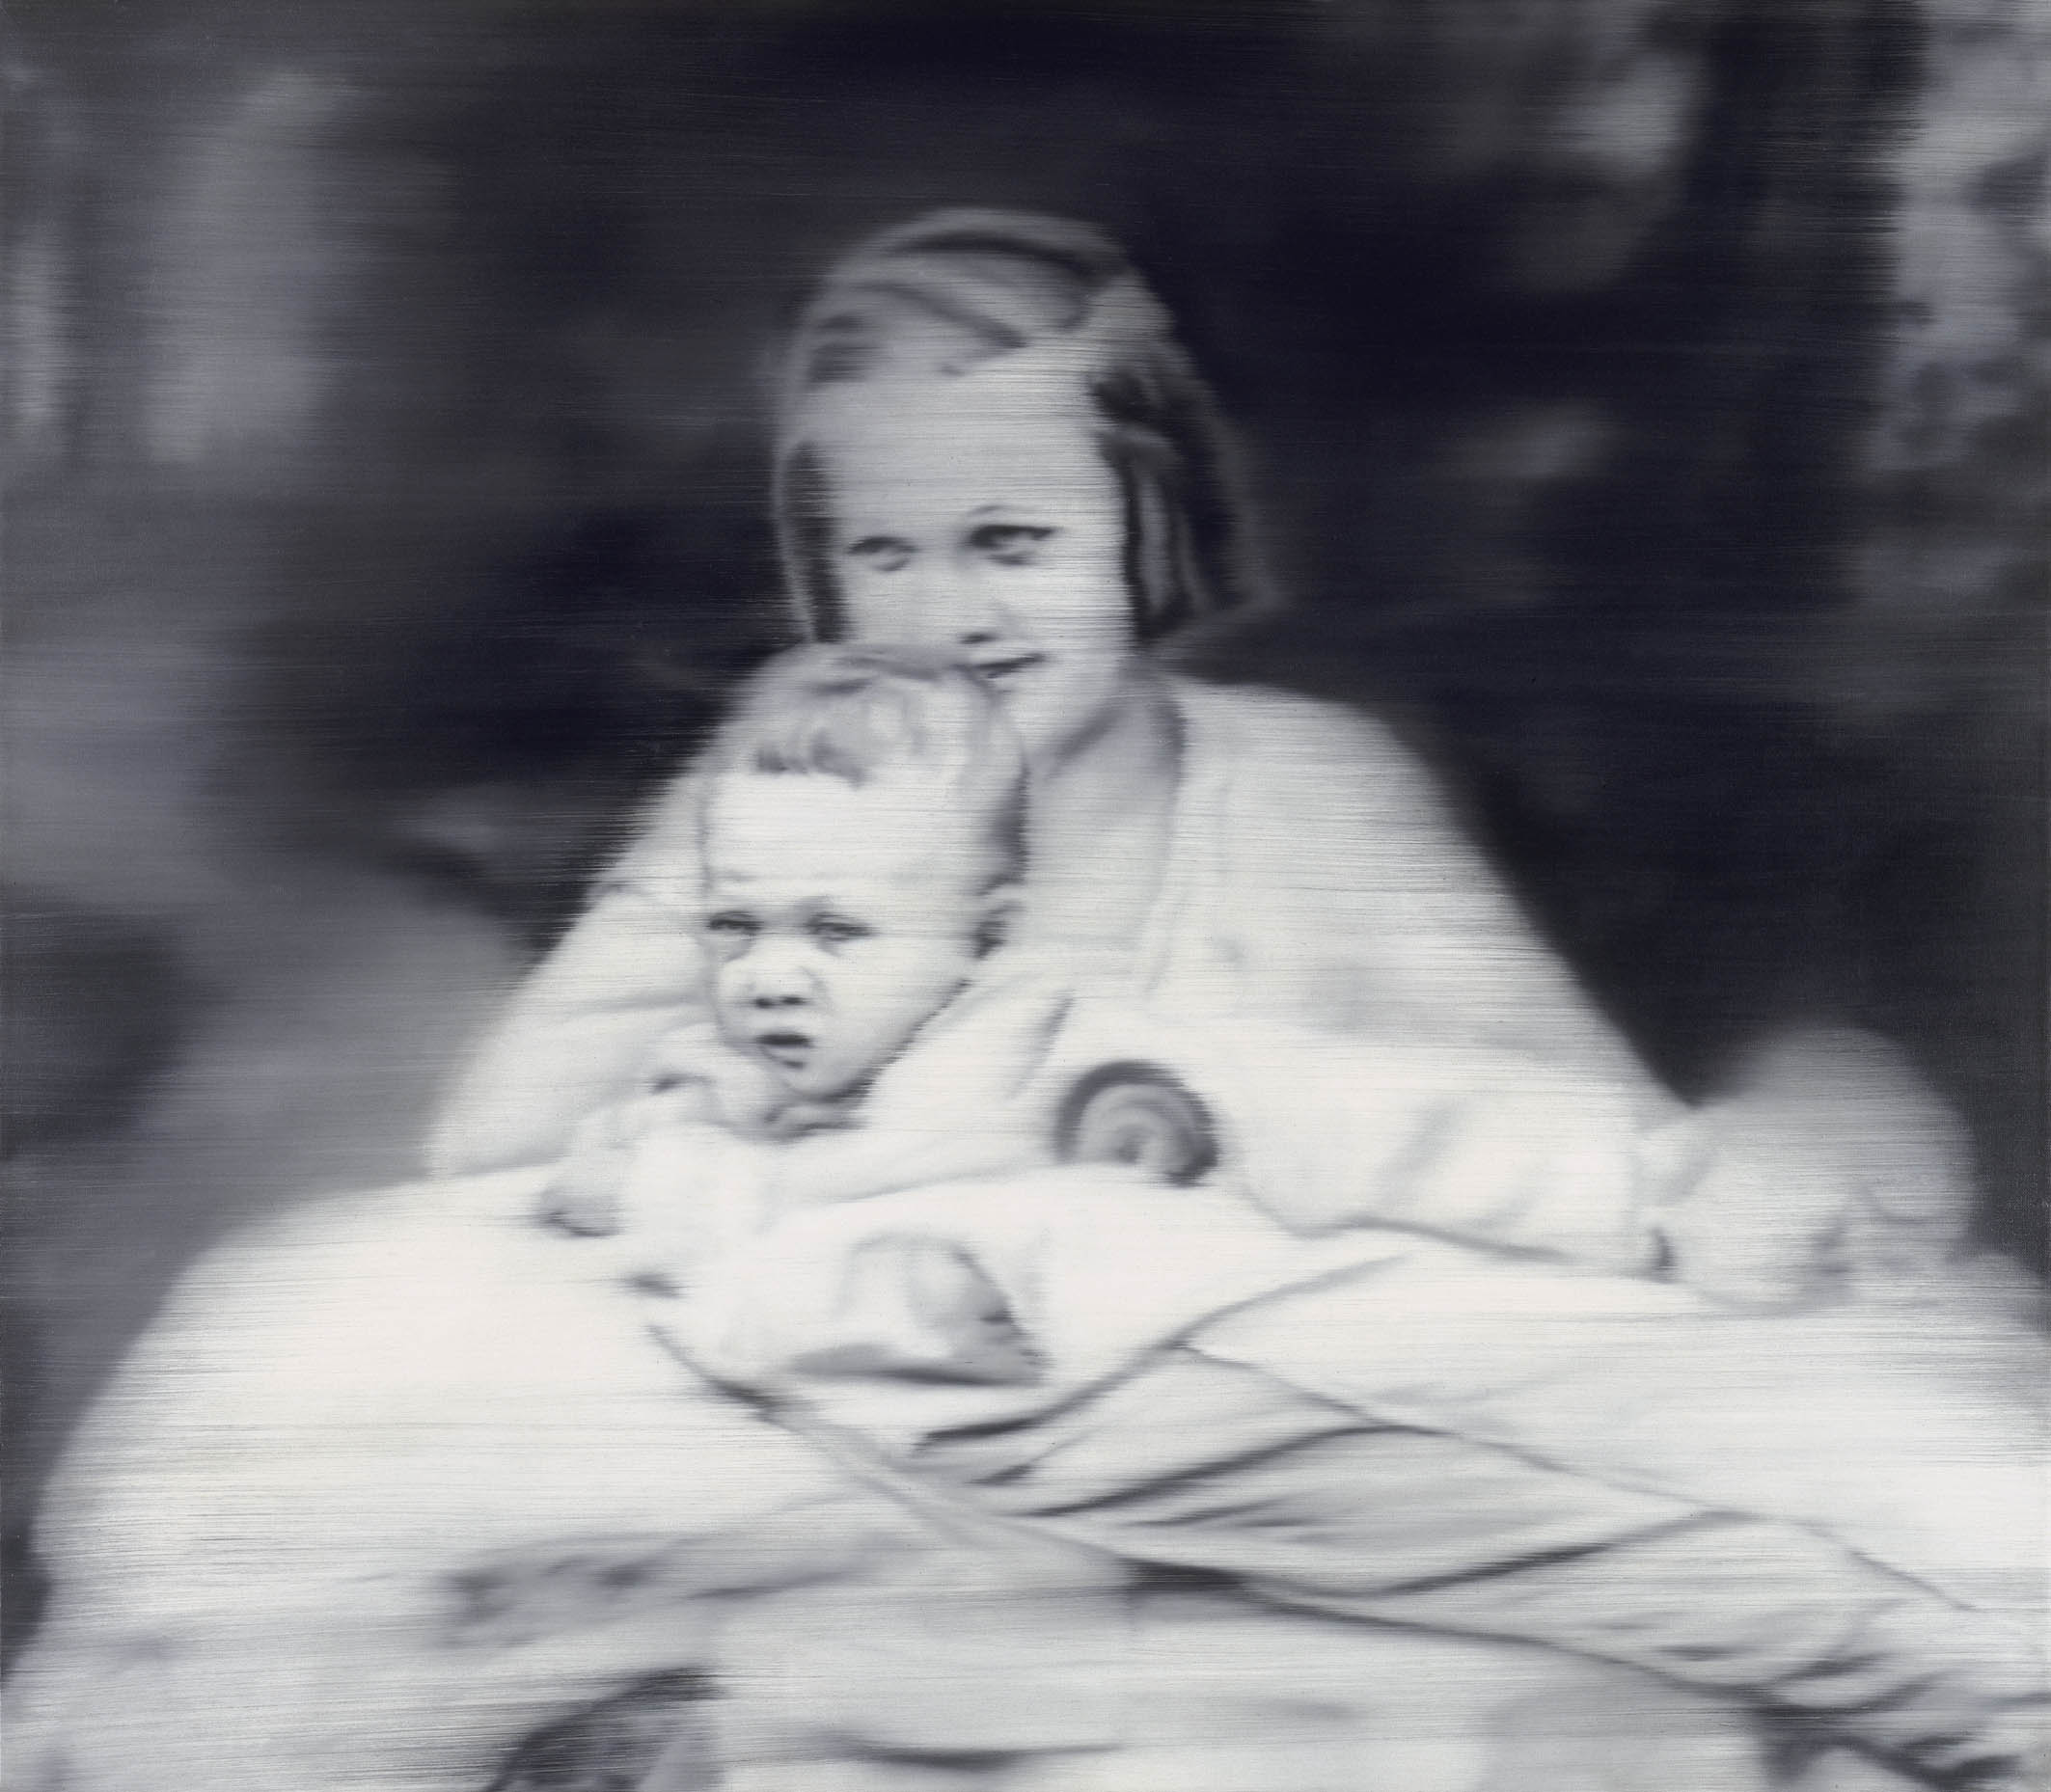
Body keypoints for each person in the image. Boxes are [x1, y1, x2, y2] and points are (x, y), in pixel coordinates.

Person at [7, 208, 2019, 1792]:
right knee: (362, 1371)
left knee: (1673, 1451)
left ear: (1149, 529)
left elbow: (1531, 1123)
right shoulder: (806, 770)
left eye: (1012, 543)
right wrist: (725, 1032)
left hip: (1231, 1363)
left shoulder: (1300, 783)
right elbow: (500, 1135)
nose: (949, 611)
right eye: (881, 552)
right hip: (883, 1368)